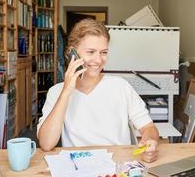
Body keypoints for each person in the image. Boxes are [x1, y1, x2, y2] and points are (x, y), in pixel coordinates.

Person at [37, 18, 160, 163]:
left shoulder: (121, 86)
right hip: (79, 167)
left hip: (119, 166)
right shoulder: (57, 92)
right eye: (91, 52)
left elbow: (148, 127)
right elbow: (46, 143)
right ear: (71, 53)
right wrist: (66, 92)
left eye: (104, 52)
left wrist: (150, 142)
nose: (98, 60)